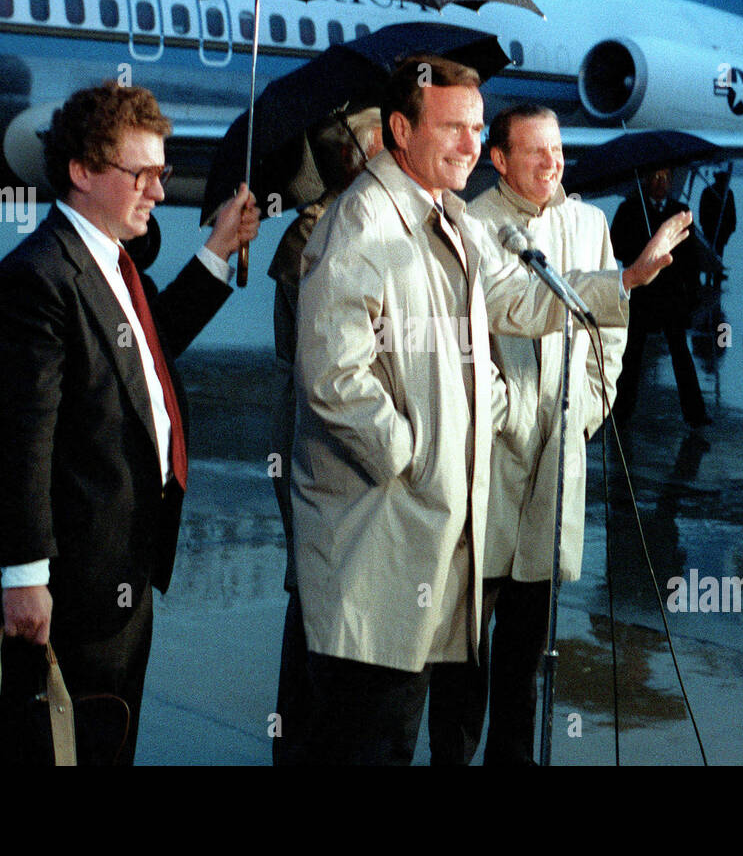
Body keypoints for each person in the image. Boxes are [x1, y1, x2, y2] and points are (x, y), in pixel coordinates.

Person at [290, 55, 689, 765]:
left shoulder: (452, 220)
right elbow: (333, 377)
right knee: (366, 738)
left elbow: (518, 299)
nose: (471, 145)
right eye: (453, 129)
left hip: (432, 534)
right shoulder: (363, 225)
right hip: (387, 532)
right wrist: (416, 458)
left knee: (397, 729)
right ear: (400, 130)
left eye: (476, 128)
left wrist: (625, 278)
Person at [0, 80, 260, 765]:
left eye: (161, 174)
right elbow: (20, 443)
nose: (158, 192)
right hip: (68, 587)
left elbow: (148, 351)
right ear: (81, 171)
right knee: (51, 751)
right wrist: (24, 576)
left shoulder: (114, 266)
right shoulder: (38, 279)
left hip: (124, 575)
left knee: (105, 745)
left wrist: (218, 249)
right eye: (143, 174)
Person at [428, 104, 626, 765]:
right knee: (462, 654)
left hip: (556, 460)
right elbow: (474, 336)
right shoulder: (472, 225)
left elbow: (610, 333)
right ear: (500, 159)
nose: (552, 163)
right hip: (489, 465)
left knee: (527, 658)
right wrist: (510, 412)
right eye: (535, 152)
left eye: (559, 149)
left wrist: (589, 406)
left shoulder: (588, 224)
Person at [267, 106, 382, 766]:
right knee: (313, 591)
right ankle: (301, 746)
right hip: (313, 434)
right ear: (354, 157)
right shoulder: (324, 230)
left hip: (307, 427)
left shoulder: (332, 224)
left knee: (316, 591)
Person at [611, 167, 710, 427]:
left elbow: (691, 257)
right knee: (631, 354)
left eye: (665, 179)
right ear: (645, 180)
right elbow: (617, 246)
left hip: (671, 296)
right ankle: (621, 412)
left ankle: (696, 415)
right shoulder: (630, 209)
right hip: (641, 295)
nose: (659, 183)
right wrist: (643, 244)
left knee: (681, 355)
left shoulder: (680, 213)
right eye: (655, 177)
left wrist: (694, 293)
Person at [698, 170, 736, 284]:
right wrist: (704, 223)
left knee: (719, 250)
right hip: (710, 226)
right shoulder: (708, 191)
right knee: (710, 249)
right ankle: (710, 272)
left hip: (723, 227)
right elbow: (703, 209)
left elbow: (731, 210)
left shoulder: (728, 193)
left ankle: (716, 272)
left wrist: (732, 225)